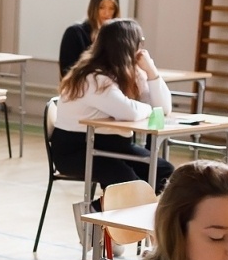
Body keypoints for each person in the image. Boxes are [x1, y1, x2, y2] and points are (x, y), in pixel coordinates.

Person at [49, 17, 173, 193]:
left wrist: (151, 71)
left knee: (163, 171)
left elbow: (164, 109)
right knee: (128, 183)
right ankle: (97, 213)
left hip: (112, 145)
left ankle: (137, 216)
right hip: (77, 150)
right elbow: (129, 112)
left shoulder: (128, 73)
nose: (142, 47)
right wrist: (149, 109)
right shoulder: (92, 78)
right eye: (140, 42)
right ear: (127, 46)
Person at [58, 0, 119, 78]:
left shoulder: (115, 37)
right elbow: (67, 72)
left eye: (111, 8)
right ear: (94, 8)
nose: (107, 14)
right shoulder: (75, 33)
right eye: (101, 7)